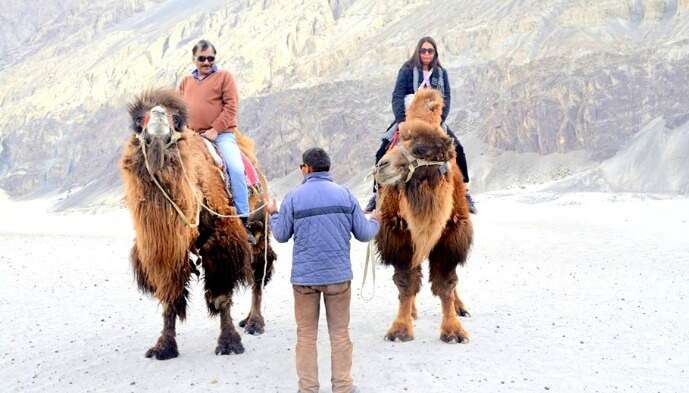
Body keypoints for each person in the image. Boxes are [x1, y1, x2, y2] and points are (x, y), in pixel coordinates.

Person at [267, 147, 379, 393]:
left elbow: (281, 235)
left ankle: (308, 389)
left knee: (306, 336)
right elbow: (364, 234)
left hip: (304, 281)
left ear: (305, 169)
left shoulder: (293, 197)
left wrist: (273, 215)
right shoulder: (345, 195)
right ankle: (343, 387)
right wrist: (376, 219)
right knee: (340, 334)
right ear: (329, 168)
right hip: (338, 278)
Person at [365, 36, 477, 214]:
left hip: (434, 121)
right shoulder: (407, 70)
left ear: (435, 53)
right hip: (409, 119)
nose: (426, 54)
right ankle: (376, 193)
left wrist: (438, 121)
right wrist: (402, 121)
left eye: (430, 51)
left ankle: (464, 192)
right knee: (383, 150)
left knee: (459, 150)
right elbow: (397, 95)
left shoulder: (441, 73)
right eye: (423, 50)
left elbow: (446, 99)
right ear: (418, 52)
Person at [178, 39, 254, 240]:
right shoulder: (186, 82)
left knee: (236, 168)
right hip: (192, 136)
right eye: (202, 59)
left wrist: (215, 129)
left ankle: (242, 220)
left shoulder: (224, 77)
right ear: (194, 60)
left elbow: (231, 106)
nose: (206, 62)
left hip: (221, 136)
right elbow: (178, 109)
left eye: (210, 58)